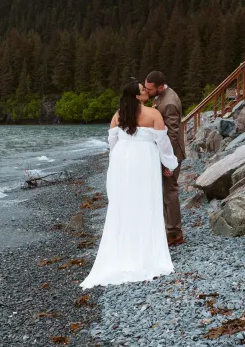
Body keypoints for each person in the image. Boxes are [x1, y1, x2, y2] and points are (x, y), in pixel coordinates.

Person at [80, 79, 179, 289]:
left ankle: (123, 248)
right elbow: (163, 143)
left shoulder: (118, 115)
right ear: (136, 96)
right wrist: (169, 163)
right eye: (143, 90)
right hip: (144, 160)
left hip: (122, 160)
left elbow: (113, 144)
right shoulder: (153, 115)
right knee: (145, 201)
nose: (146, 92)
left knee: (124, 204)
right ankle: (145, 251)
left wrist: (114, 166)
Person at [144, 71, 186, 247]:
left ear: (160, 87)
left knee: (170, 192)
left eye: (149, 89)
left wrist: (169, 162)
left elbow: (172, 135)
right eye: (145, 88)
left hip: (172, 154)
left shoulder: (169, 102)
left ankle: (174, 233)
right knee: (165, 192)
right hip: (166, 152)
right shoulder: (161, 95)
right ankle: (168, 229)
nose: (147, 91)